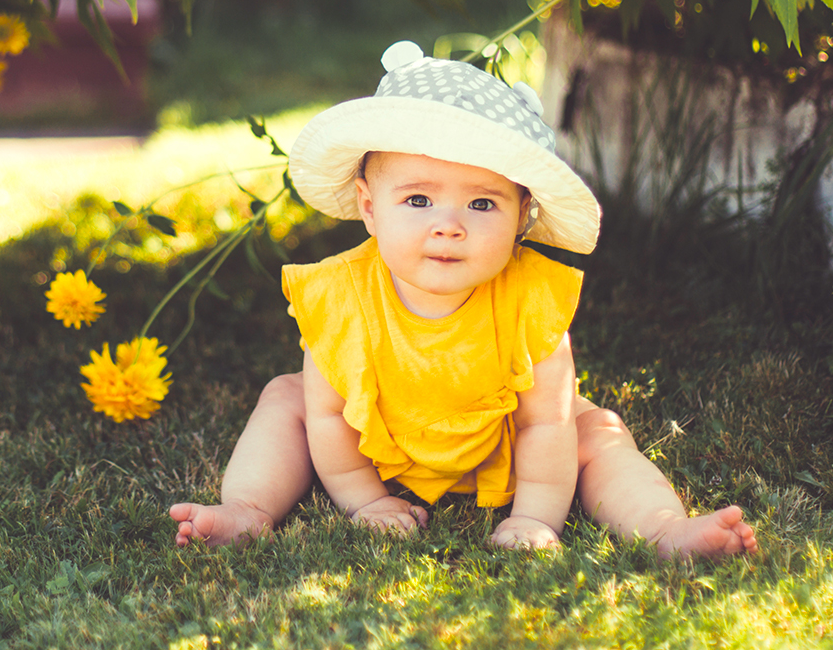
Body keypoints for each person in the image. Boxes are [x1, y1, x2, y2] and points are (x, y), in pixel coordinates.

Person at [169, 41, 758, 556]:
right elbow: (327, 415)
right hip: (378, 441)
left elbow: (546, 425)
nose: (449, 225)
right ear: (370, 207)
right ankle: (247, 509)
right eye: (419, 200)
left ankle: (663, 529)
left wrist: (534, 516)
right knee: (286, 399)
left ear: (522, 217)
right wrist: (364, 500)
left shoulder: (532, 297)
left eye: (482, 204)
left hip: (504, 442)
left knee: (598, 430)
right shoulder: (339, 293)